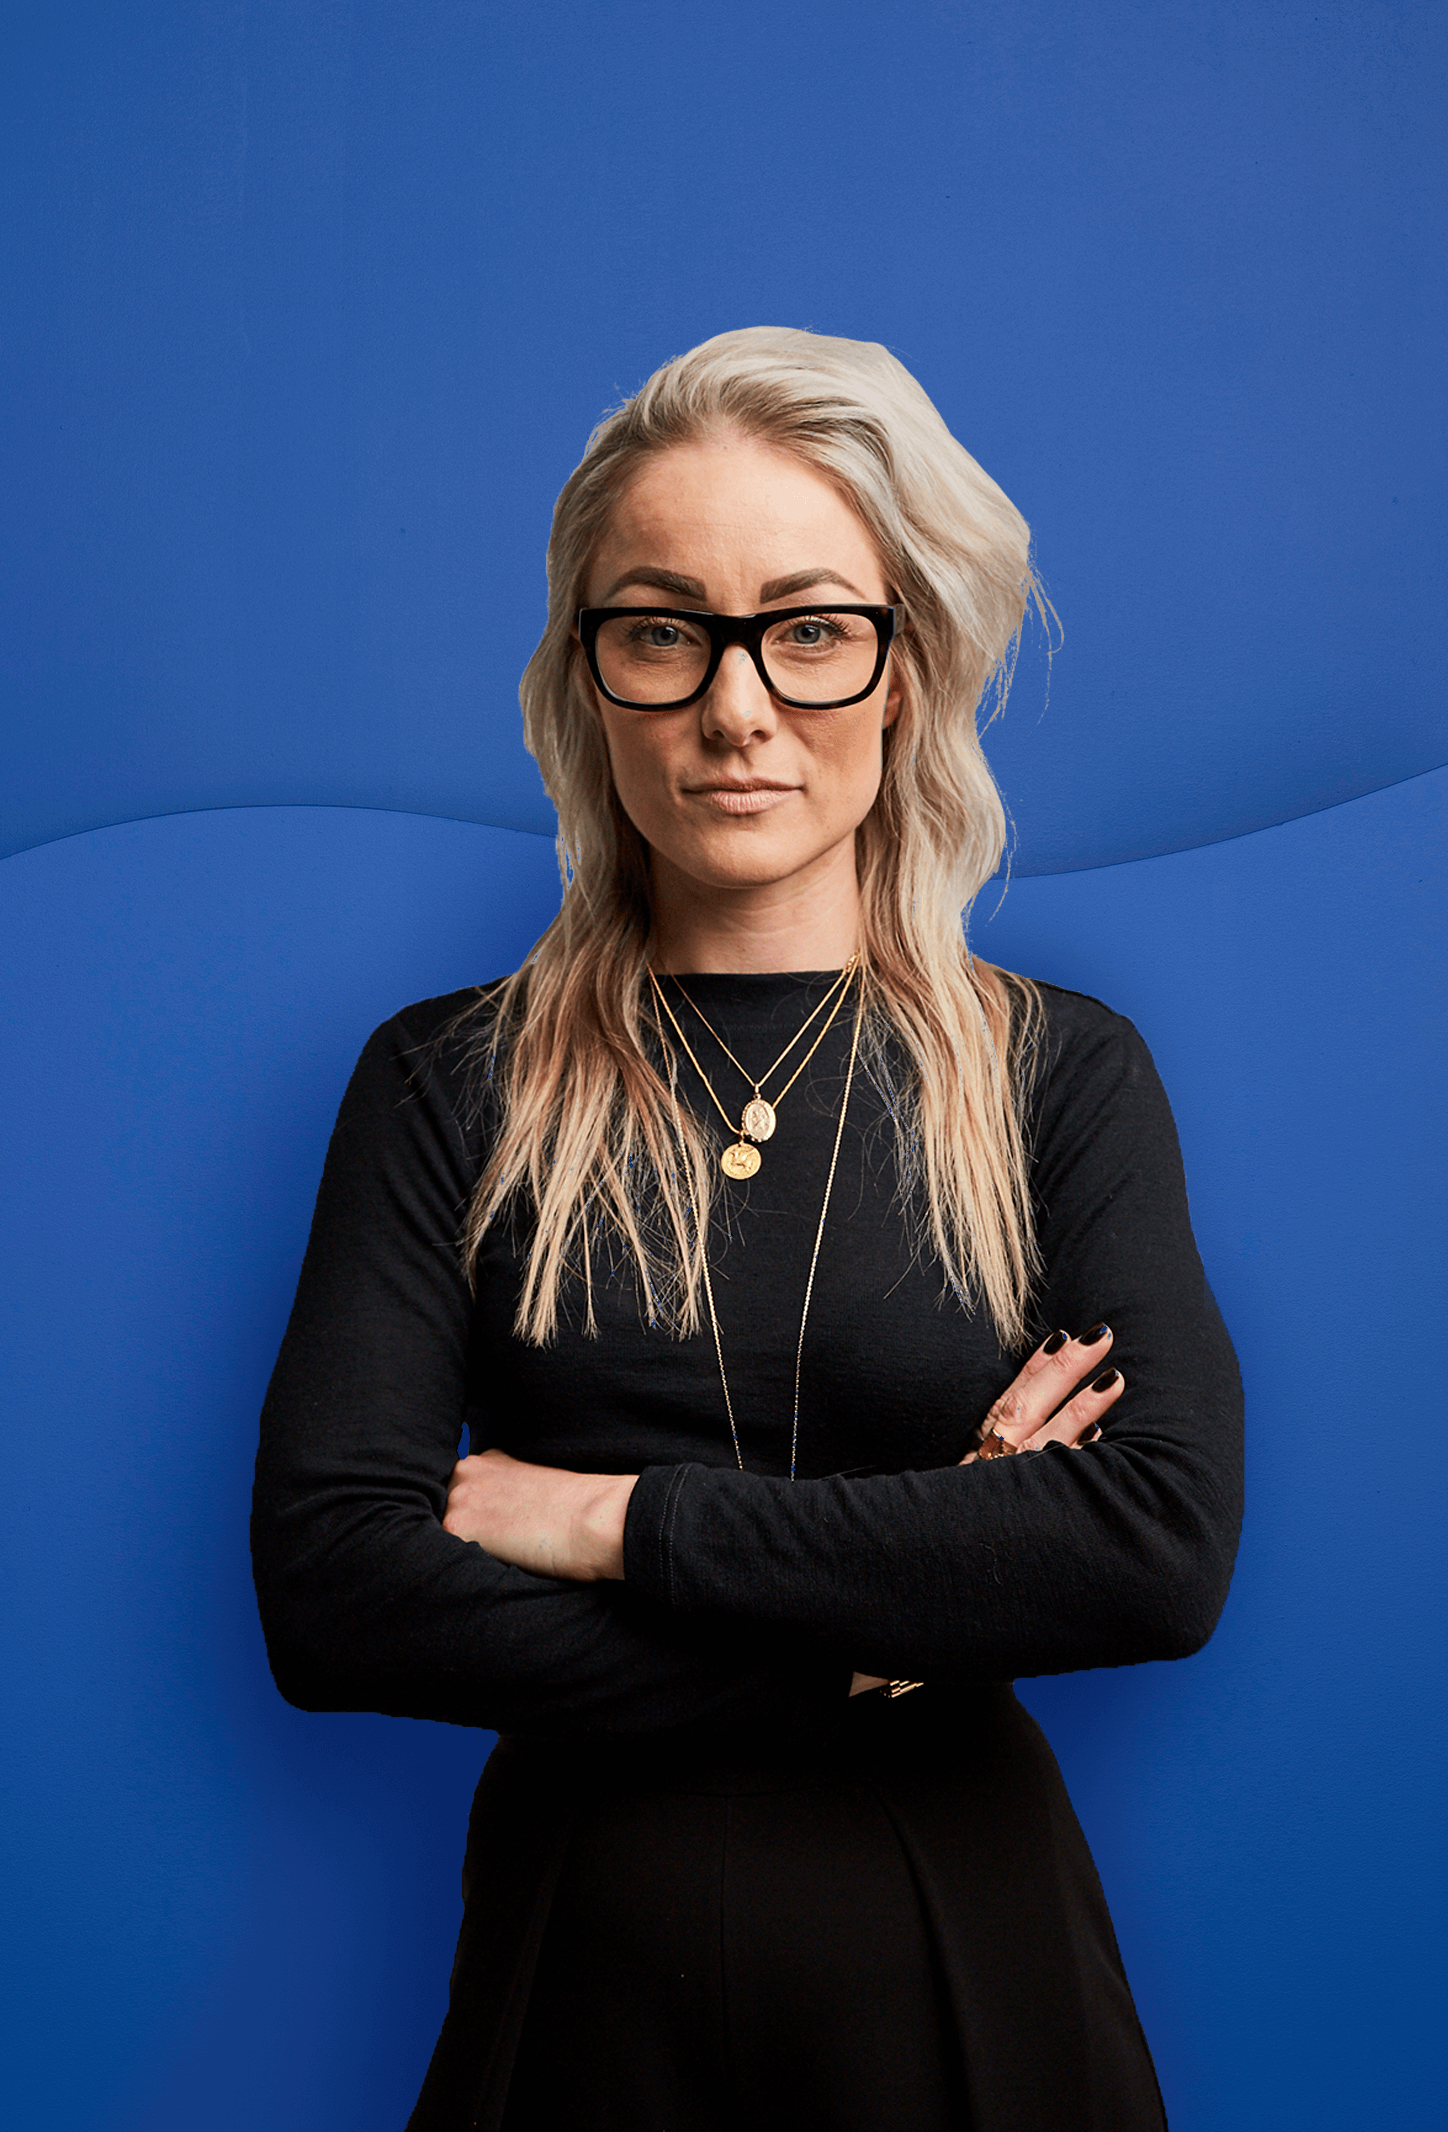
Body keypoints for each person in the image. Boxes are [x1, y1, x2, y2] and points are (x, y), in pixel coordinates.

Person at [251, 326, 1243, 2132]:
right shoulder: (444, 1083)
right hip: (578, 1969)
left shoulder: (1060, 1076)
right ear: (588, 676)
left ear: (903, 666)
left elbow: (1153, 1549)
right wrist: (899, 1620)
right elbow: (336, 1594)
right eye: (664, 631)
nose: (737, 708)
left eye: (808, 629)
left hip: (972, 1964)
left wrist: (612, 1523)